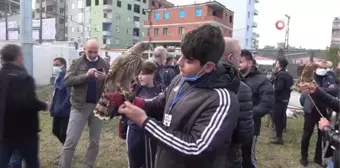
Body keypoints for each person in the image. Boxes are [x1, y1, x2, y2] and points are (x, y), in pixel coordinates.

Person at [108, 24, 240, 168]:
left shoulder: (222, 99)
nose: (179, 62)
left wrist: (145, 121)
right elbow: (160, 103)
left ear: (208, 67)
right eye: (181, 55)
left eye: (188, 61)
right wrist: (133, 102)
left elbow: (196, 148)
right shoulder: (181, 79)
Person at [59, 40, 109, 168]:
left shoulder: (104, 63)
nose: (93, 54)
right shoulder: (77, 63)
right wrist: (86, 76)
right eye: (90, 51)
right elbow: (67, 81)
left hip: (98, 107)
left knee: (94, 142)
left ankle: (88, 165)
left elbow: (111, 84)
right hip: (79, 106)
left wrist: (105, 78)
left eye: (95, 51)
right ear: (84, 49)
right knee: (71, 141)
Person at [0, 44, 48, 168]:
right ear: (19, 57)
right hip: (26, 130)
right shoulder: (25, 78)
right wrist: (44, 105)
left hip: (4, 129)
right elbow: (29, 102)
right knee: (31, 161)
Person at [300, 60, 340, 167]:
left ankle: (318, 158)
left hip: (324, 110)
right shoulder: (311, 76)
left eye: (324, 68)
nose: (322, 69)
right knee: (307, 134)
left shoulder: (330, 77)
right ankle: (303, 157)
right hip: (311, 110)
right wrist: (318, 90)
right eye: (320, 67)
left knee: (321, 136)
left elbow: (335, 90)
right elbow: (305, 87)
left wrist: (319, 90)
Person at [239, 49, 274, 168]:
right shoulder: (235, 77)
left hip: (251, 128)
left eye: (241, 62)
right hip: (234, 126)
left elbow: (266, 104)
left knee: (248, 159)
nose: (238, 64)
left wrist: (246, 114)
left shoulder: (262, 80)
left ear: (250, 63)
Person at [222, 37, 254, 168]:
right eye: (239, 57)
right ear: (230, 58)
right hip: (228, 157)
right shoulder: (241, 88)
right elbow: (243, 134)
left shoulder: (195, 80)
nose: (239, 61)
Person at [127, 61, 164, 168]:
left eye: (143, 74)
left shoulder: (161, 90)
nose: (139, 77)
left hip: (151, 131)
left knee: (150, 162)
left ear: (152, 73)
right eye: (138, 73)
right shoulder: (133, 89)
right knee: (133, 161)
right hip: (134, 130)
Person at [50, 57, 71, 165]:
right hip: (57, 111)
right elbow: (55, 94)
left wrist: (62, 108)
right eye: (54, 65)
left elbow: (69, 96)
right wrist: (52, 107)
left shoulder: (67, 77)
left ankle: (66, 156)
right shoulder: (58, 77)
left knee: (63, 133)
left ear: (63, 65)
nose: (55, 67)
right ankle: (67, 151)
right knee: (55, 131)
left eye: (57, 65)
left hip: (65, 112)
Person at [271, 58, 294, 144]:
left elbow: (278, 88)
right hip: (285, 98)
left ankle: (279, 138)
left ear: (279, 64)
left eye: (276, 62)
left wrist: (272, 91)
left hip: (278, 99)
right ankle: (278, 135)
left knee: (277, 118)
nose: (275, 64)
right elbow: (291, 84)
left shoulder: (280, 75)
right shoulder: (287, 74)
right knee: (281, 117)